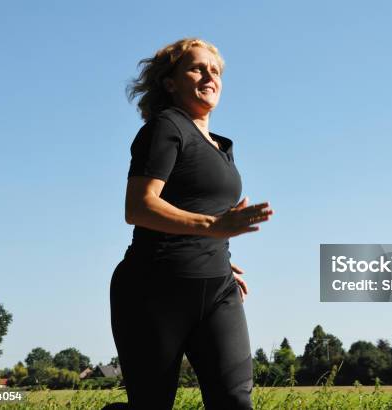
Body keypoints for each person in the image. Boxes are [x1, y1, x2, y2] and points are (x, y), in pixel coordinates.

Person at [108, 38, 273, 409]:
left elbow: (196, 211)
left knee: (234, 400)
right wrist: (211, 227)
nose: (209, 75)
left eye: (215, 70)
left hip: (217, 288)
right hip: (155, 289)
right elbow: (139, 206)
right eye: (197, 68)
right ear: (170, 82)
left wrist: (211, 245)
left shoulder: (221, 146)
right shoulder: (166, 127)